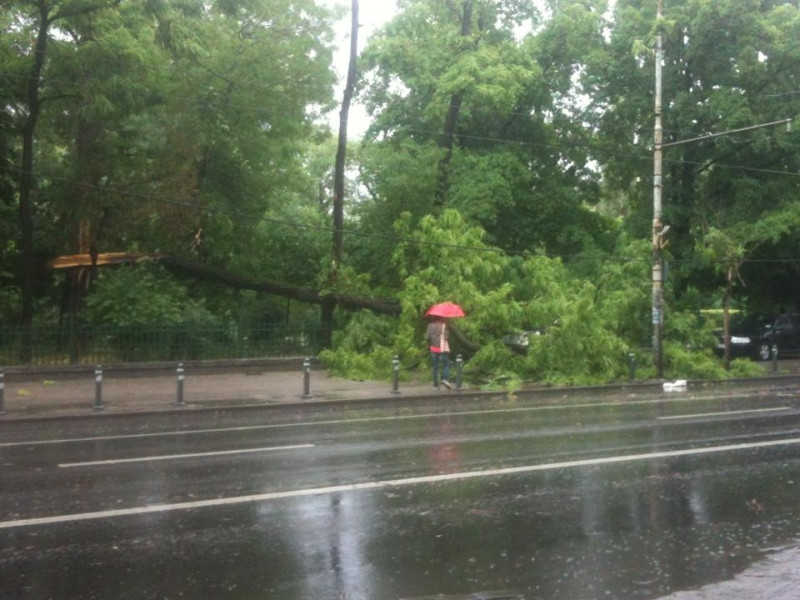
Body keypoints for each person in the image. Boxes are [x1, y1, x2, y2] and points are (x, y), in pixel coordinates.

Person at [426, 317, 452, 389]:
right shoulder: (444, 325)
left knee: (435, 367)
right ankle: (445, 379)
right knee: (446, 364)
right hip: (442, 348)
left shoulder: (430, 325)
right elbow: (446, 337)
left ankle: (435, 385)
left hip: (433, 349)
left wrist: (429, 346)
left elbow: (428, 337)